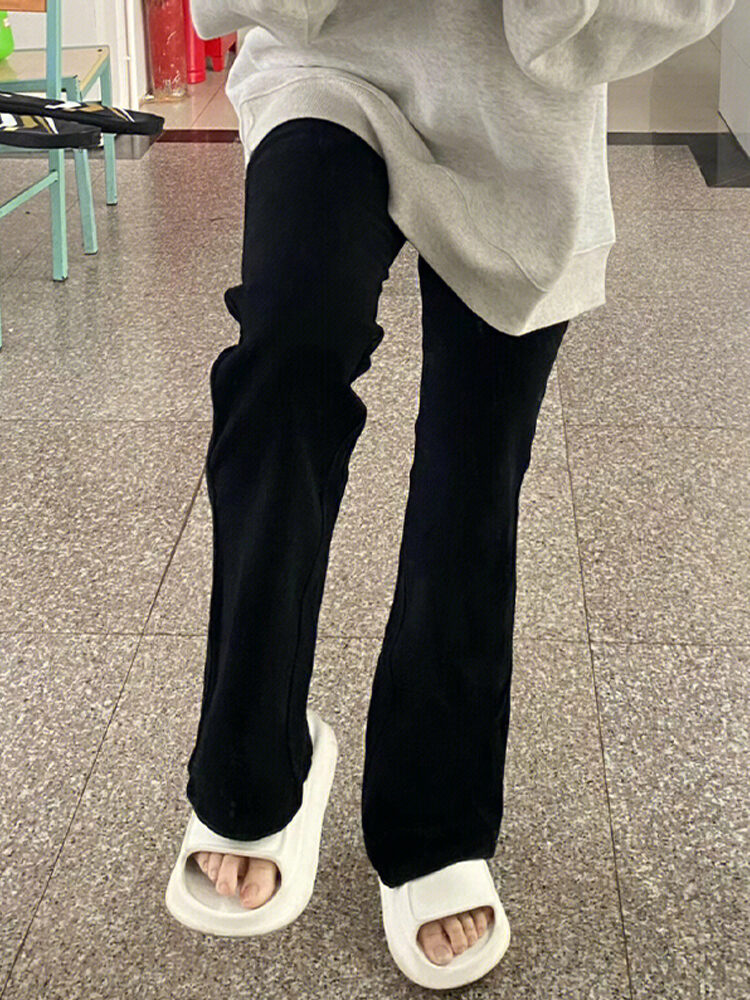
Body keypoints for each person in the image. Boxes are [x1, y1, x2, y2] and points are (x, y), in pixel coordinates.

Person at [168, 0, 736, 987]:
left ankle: (432, 816)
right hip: (331, 59)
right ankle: (250, 764)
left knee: (474, 461)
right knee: (288, 349)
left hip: (526, 105)